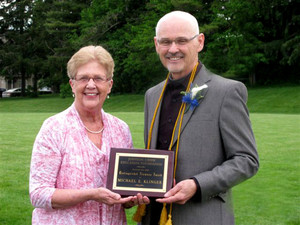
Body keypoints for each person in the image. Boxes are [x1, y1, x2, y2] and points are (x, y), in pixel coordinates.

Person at [139, 11, 259, 225]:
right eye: (166, 42)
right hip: (153, 216)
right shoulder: (152, 95)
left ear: (200, 42)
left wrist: (197, 184)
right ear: (156, 44)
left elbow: (246, 160)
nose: (173, 49)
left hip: (201, 217)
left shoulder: (227, 91)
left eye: (182, 41)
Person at [29, 45, 144, 225]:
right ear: (72, 85)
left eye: (98, 78)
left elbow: (122, 190)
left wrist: (129, 198)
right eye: (83, 78)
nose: (91, 85)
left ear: (109, 85)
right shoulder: (54, 128)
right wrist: (91, 194)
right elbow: (38, 194)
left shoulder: (121, 129)